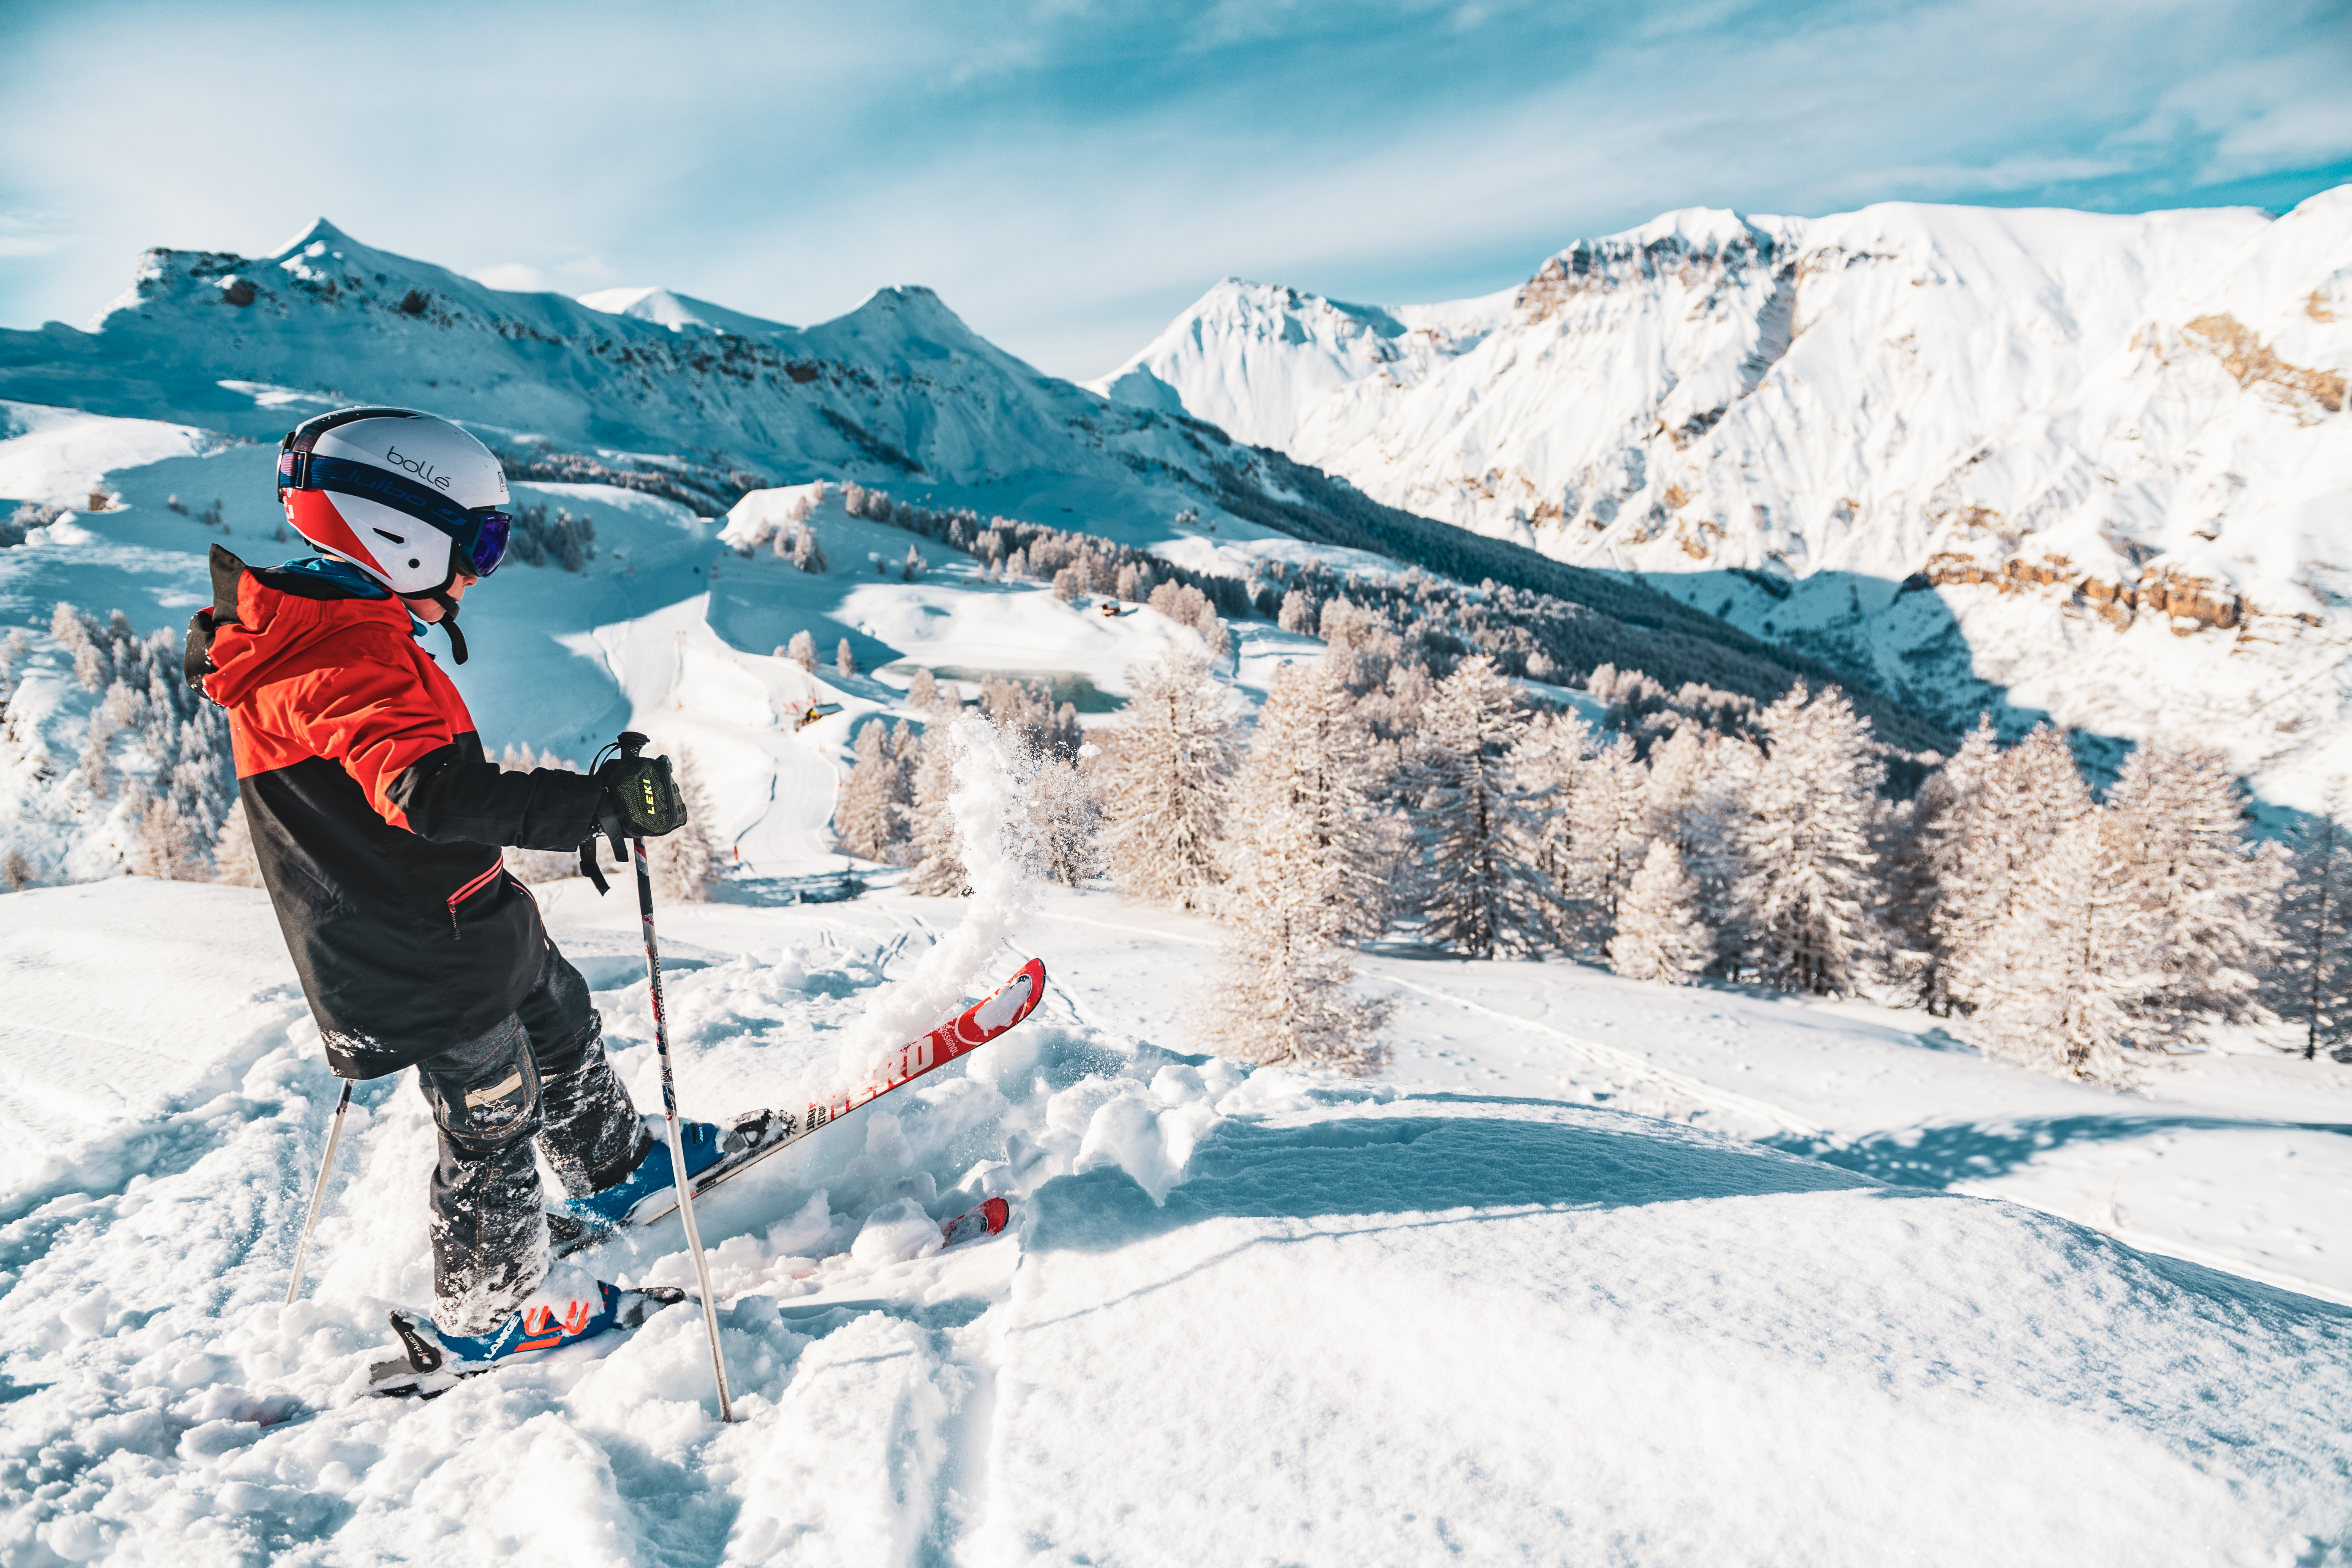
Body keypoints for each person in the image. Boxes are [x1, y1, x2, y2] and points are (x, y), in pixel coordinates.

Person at [186, 406, 726, 1364]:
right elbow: (429, 792)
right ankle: (491, 1312)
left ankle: (613, 1171)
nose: (483, 567)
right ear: (392, 530)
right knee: (492, 1113)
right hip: (407, 950)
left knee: (558, 1012)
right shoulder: (333, 654)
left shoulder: (346, 627)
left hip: (460, 916)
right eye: (478, 539)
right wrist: (591, 806)